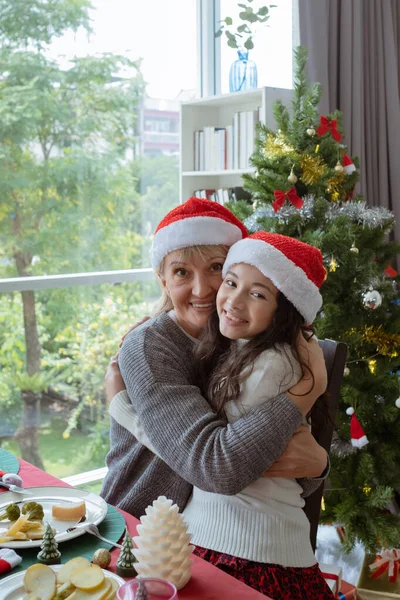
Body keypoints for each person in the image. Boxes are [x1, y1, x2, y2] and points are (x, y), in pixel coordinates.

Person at [101, 198, 328, 524]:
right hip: (137, 526)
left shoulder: (252, 341)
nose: (203, 290)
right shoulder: (151, 346)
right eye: (181, 272)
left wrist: (318, 465)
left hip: (216, 533)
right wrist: (310, 387)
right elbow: (215, 467)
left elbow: (286, 452)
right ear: (163, 281)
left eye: (216, 269)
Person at [179, 231, 335, 599]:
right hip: (228, 536)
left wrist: (122, 406)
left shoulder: (272, 365)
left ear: (284, 312)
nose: (233, 300)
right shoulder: (239, 348)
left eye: (257, 294)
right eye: (231, 282)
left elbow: (218, 461)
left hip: (253, 547)